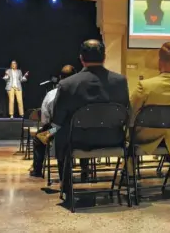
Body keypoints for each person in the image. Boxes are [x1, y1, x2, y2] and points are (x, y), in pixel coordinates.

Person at [37, 40, 130, 193]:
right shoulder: (120, 81)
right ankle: (84, 171)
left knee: (51, 133)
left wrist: (48, 133)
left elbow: (58, 120)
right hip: (112, 138)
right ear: (104, 57)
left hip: (76, 140)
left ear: (81, 58)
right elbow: (125, 111)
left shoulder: (67, 84)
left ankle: (63, 181)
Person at [29, 65, 76, 177]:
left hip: (56, 129)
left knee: (38, 138)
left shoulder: (51, 94)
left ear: (60, 77)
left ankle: (37, 170)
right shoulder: (81, 93)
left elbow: (45, 120)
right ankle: (85, 171)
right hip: (78, 131)